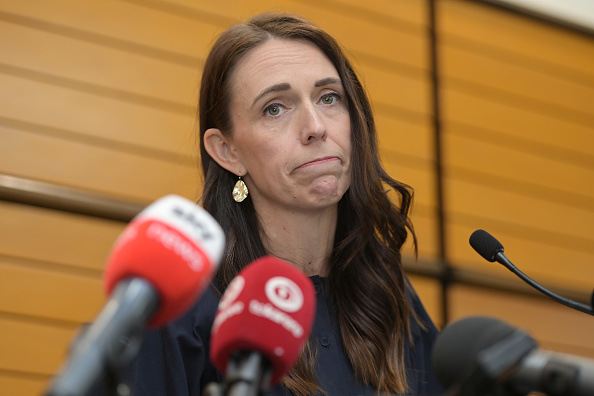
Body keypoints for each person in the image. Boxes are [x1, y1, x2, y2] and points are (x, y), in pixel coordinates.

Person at [131, 13, 443, 396]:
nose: (316, 126)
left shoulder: (386, 290)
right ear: (227, 151)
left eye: (330, 98)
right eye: (275, 108)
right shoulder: (181, 307)